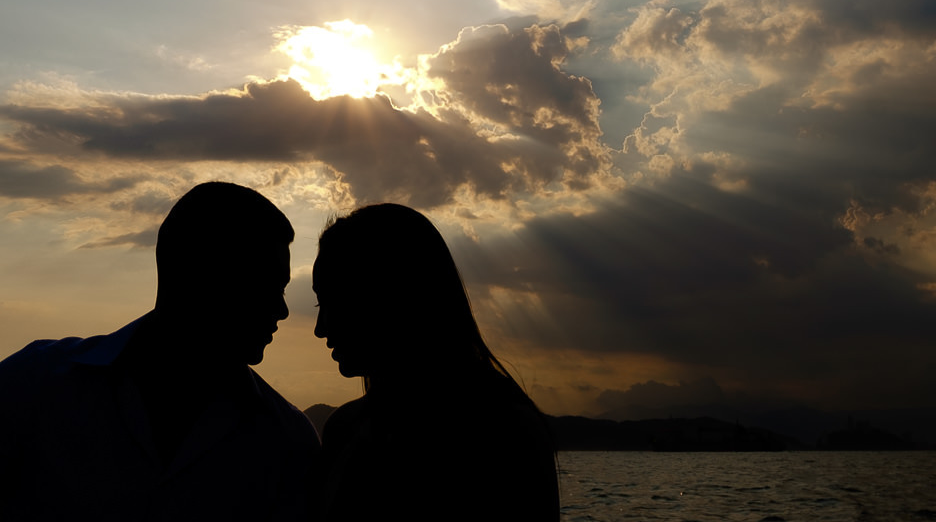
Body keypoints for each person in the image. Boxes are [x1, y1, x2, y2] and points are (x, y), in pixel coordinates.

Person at [0, 181, 320, 522]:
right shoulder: (34, 386)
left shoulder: (287, 442)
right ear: (196, 275)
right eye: (263, 286)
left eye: (282, 289)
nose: (281, 310)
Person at [310, 204, 559, 521]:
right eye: (320, 303)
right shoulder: (344, 430)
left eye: (335, 302)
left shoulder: (503, 434)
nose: (321, 328)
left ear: (392, 296)